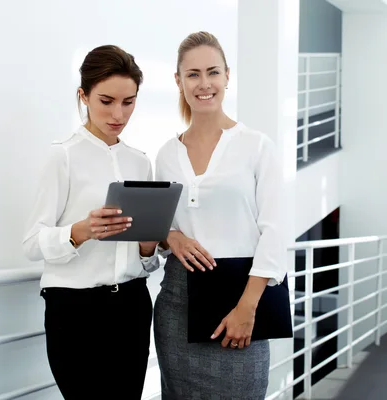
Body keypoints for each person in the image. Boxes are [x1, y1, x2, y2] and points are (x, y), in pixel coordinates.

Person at [153, 31, 287, 399]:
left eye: (213, 72)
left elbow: (275, 232)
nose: (204, 83)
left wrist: (247, 307)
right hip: (177, 306)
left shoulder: (257, 146)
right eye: (192, 74)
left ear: (228, 75)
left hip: (243, 303)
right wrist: (171, 236)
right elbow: (159, 228)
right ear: (178, 81)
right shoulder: (166, 154)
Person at [22, 45, 159, 400]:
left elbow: (146, 263)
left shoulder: (140, 163)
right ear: (83, 96)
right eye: (107, 100)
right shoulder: (62, 157)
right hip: (75, 311)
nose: (119, 113)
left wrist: (147, 249)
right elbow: (32, 243)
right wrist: (80, 232)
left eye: (129, 101)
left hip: (132, 307)